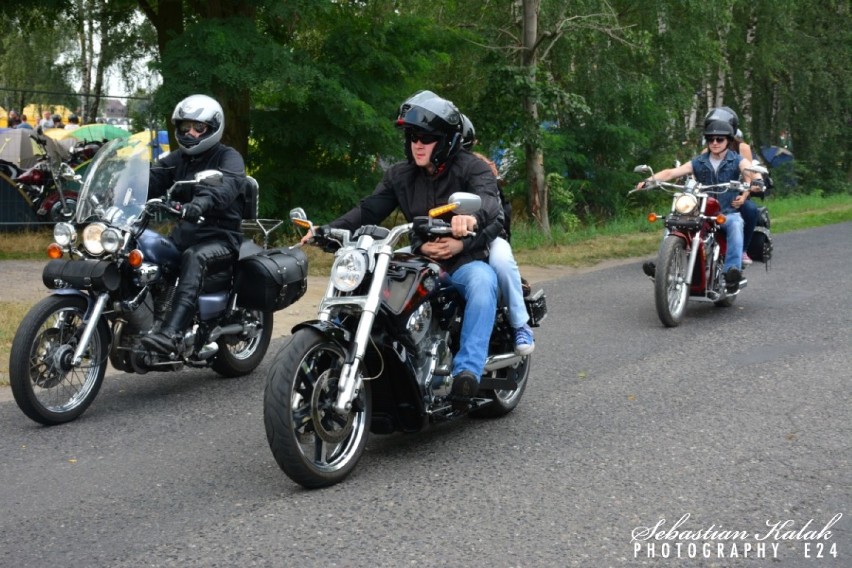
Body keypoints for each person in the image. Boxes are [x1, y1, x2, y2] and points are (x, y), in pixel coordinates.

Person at [303, 90, 504, 406]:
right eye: (412, 136)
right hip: (423, 259)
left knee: (483, 283)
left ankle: (468, 372)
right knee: (372, 284)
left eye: (426, 137)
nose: (418, 144)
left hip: (464, 260)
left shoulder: (471, 168)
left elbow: (489, 202)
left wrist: (467, 224)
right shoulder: (400, 175)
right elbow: (367, 211)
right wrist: (326, 230)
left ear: (448, 140)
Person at [141, 94, 248, 355]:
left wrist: (200, 203)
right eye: (185, 127)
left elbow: (226, 186)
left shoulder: (228, 157)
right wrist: (117, 191)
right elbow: (152, 179)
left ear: (211, 129)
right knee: (142, 248)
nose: (190, 133)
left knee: (194, 257)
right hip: (185, 235)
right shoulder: (178, 159)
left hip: (221, 238)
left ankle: (172, 333)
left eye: (198, 128)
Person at [638, 109, 763, 291]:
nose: (714, 143)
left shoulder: (737, 160)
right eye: (710, 139)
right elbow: (672, 172)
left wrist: (757, 180)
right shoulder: (699, 161)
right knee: (674, 222)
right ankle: (663, 267)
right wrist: (650, 180)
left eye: (719, 139)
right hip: (701, 213)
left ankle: (732, 272)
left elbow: (750, 170)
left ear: (728, 140)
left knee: (736, 224)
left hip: (726, 212)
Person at [460, 113, 534, 355]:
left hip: (488, 236)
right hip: (451, 240)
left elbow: (497, 211)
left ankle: (520, 323)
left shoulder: (480, 167)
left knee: (501, 261)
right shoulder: (429, 173)